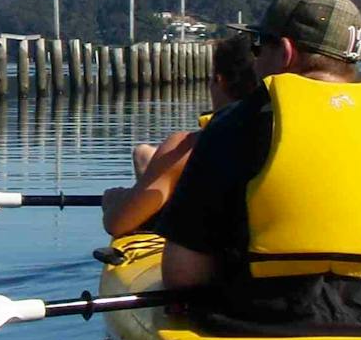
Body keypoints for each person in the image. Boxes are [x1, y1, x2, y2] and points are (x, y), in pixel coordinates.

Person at [157, 0, 361, 335]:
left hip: (260, 324)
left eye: (257, 46)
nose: (254, 59)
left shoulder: (233, 127)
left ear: (285, 52)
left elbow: (182, 274)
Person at [101, 33, 257, 235]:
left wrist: (114, 202)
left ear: (220, 81)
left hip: (209, 247)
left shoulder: (185, 148)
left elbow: (116, 224)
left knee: (143, 156)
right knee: (144, 155)